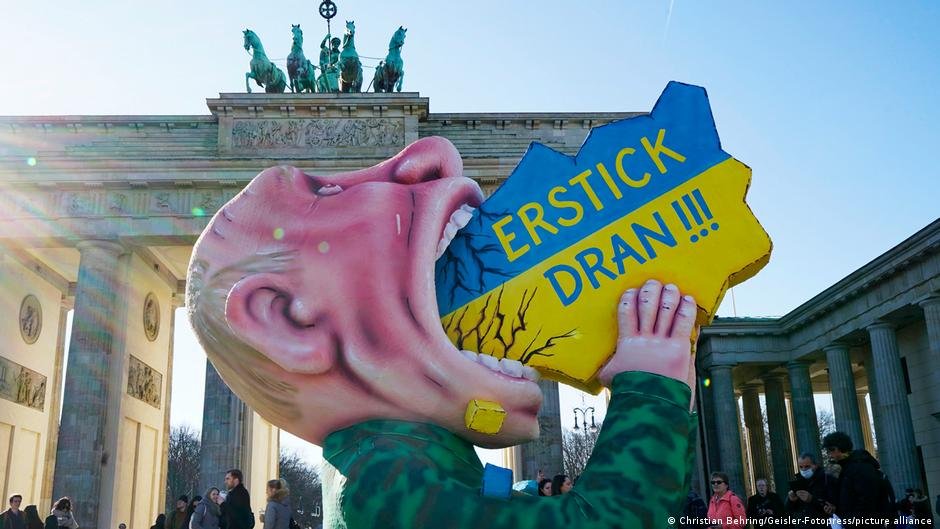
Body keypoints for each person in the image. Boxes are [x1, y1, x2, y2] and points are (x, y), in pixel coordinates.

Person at [186, 137, 700, 528]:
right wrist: (652, 393)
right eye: (329, 191)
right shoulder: (383, 486)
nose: (433, 155)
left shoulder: (380, 462)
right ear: (287, 320)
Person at [822, 431, 893, 529]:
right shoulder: (846, 468)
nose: (829, 454)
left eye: (830, 450)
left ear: (839, 448)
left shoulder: (860, 467)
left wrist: (853, 522)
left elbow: (867, 500)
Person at [786, 453, 832, 528]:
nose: (804, 470)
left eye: (807, 466)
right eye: (801, 467)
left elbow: (832, 504)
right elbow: (788, 510)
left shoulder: (826, 479)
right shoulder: (797, 481)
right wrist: (791, 500)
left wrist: (812, 499)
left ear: (815, 465)